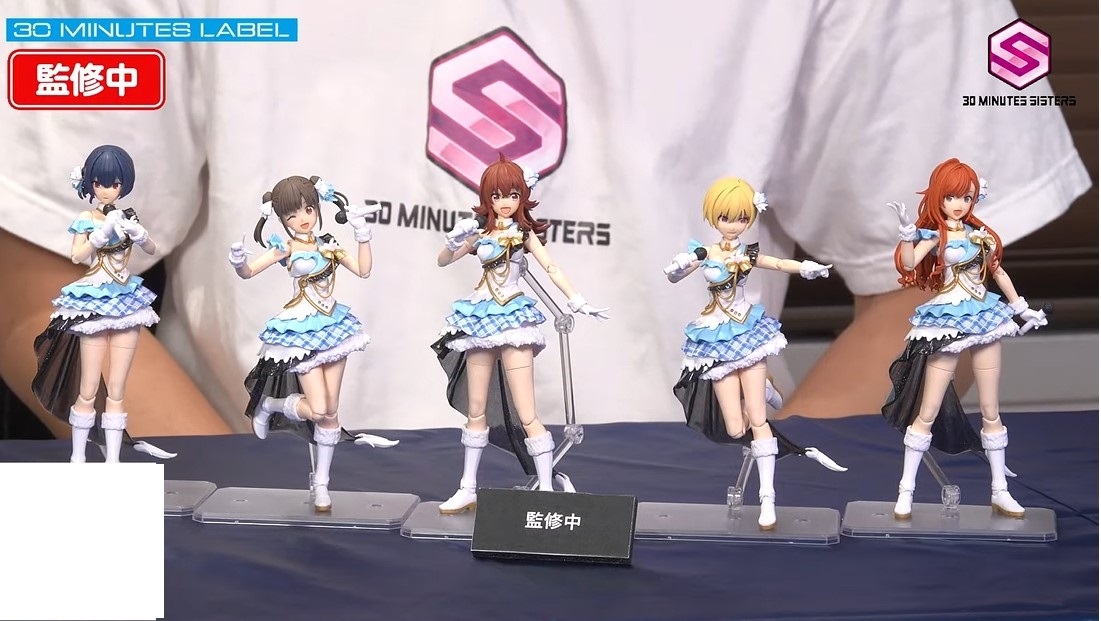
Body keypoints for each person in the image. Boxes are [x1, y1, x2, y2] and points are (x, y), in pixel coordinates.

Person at [0, 0, 1090, 440]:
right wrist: (232, 528)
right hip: (262, 511)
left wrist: (765, 535)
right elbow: (37, 274)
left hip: (689, 534)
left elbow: (929, 296)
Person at [431, 156, 607, 513]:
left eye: (512, 194)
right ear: (488, 198)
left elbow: (551, 266)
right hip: (480, 317)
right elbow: (443, 261)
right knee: (476, 410)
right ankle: (468, 488)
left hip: (512, 317)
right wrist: (452, 242)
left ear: (522, 196)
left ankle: (546, 489)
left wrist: (576, 300)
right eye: (497, 195)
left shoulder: (523, 234)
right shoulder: (481, 234)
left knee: (527, 412)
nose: (505, 202)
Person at [667, 178, 845, 529]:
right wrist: (677, 267)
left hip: (746, 330)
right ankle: (763, 388)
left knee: (759, 422)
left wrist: (805, 267)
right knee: (736, 428)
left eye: (741, 218)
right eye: (726, 217)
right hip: (715, 337)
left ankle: (767, 498)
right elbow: (676, 276)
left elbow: (776, 263)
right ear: (713, 216)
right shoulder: (704, 253)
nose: (733, 225)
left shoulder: (747, 254)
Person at [882, 158, 1047, 519]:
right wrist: (907, 233)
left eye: (966, 197)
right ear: (939, 197)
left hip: (984, 314)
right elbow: (909, 264)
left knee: (991, 409)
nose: (959, 204)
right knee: (928, 409)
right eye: (951, 196)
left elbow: (998, 272)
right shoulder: (936, 236)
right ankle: (906, 491)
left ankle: (1000, 491)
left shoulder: (979, 234)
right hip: (948, 317)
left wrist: (1022, 308)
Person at [230, 175, 379, 511]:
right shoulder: (285, 247)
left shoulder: (329, 244)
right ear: (282, 219)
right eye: (292, 214)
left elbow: (364, 270)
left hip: (335, 327)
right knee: (320, 409)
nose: (303, 218)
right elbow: (249, 271)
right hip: (303, 330)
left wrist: (361, 233)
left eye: (308, 209)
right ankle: (270, 405)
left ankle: (322, 483)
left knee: (331, 413)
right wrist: (238, 260)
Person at [30, 145, 174, 462]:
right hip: (96, 297)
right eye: (100, 183)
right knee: (88, 387)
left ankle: (113, 461)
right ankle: (78, 458)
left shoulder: (129, 216)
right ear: (91, 184)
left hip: (126, 299)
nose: (107, 190)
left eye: (114, 184)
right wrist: (99, 235)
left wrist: (139, 234)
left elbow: (152, 249)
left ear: (123, 185)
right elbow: (77, 256)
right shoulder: (87, 218)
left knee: (118, 390)